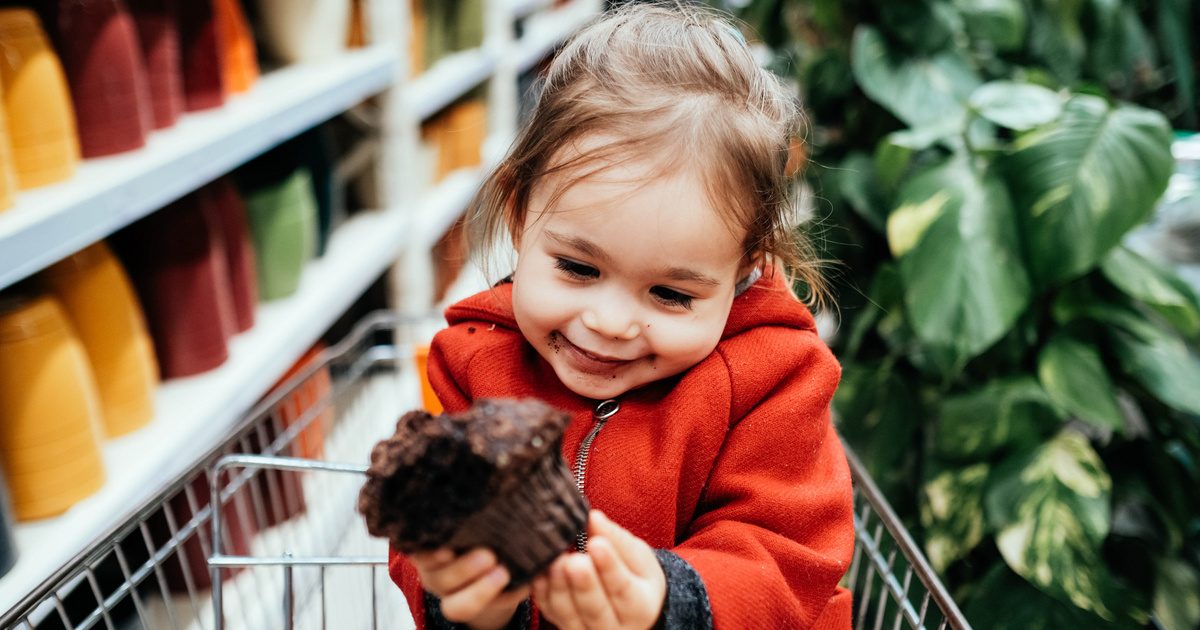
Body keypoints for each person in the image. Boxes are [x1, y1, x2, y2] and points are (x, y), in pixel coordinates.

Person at [388, 3, 855, 628]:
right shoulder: (476, 358)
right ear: (520, 213)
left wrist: (673, 601)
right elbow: (432, 523)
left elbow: (785, 553)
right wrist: (456, 588)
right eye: (579, 269)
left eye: (671, 295)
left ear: (743, 267)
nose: (610, 323)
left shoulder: (775, 380)